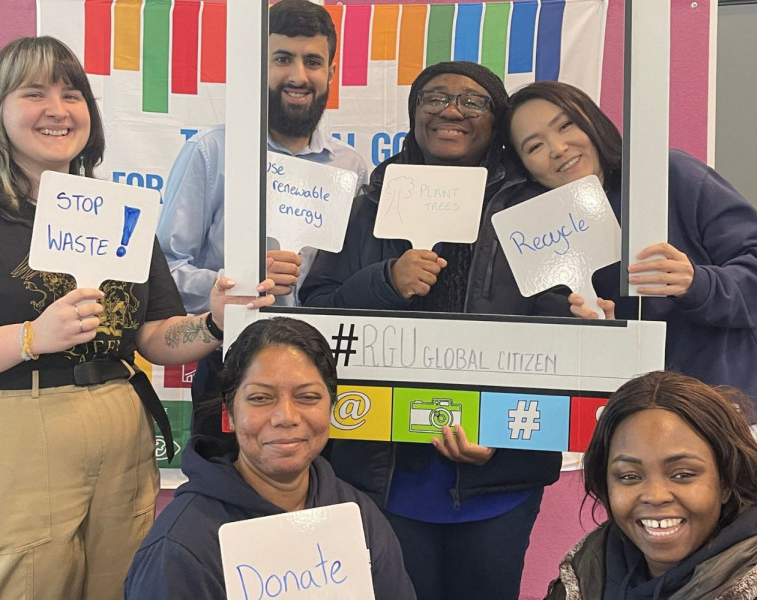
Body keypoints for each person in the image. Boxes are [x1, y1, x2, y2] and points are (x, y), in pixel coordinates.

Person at [0, 36, 273, 600]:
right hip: (11, 425)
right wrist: (31, 337)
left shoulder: (118, 213)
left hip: (119, 421)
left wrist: (214, 323)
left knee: (125, 584)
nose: (58, 109)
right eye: (35, 93)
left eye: (72, 94)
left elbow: (153, 335)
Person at [299, 61, 565, 600]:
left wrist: (504, 434)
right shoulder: (369, 204)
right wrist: (385, 282)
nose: (450, 111)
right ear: (414, 114)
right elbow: (317, 313)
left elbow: (564, 336)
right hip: (384, 472)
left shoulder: (538, 207)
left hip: (498, 474)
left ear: (497, 120)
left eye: (472, 102)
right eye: (435, 98)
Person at [156, 0, 368, 434]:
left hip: (328, 379)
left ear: (331, 72)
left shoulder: (352, 169)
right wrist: (240, 281)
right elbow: (164, 274)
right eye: (282, 59)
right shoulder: (211, 154)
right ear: (258, 65)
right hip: (230, 368)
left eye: (313, 61)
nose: (298, 76)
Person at [124, 317, 416, 600]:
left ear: (332, 407)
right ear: (230, 414)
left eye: (308, 397)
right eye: (261, 398)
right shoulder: (180, 547)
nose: (285, 417)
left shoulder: (360, 516)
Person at [506, 80, 757, 406]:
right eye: (534, 147)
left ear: (591, 121)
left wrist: (698, 283)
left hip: (727, 406)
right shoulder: (537, 239)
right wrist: (598, 334)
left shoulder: (667, 174)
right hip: (632, 418)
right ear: (526, 170)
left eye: (565, 125)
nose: (558, 148)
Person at [544, 370, 757, 598]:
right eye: (629, 476)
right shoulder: (585, 570)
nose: (655, 496)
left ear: (726, 481)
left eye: (682, 474)